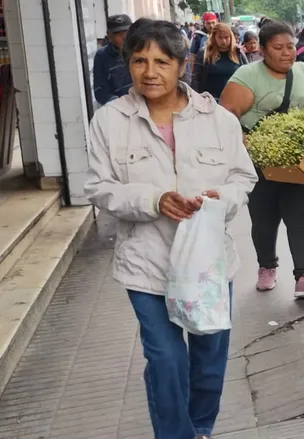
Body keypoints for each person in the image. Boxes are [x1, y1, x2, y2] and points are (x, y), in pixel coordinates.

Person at [83, 19, 257, 439]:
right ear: (127, 64)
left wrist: (217, 200)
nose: (150, 72)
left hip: (208, 263)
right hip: (147, 264)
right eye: (139, 61)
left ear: (183, 65)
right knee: (165, 359)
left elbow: (243, 177)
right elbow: (99, 187)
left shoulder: (217, 119)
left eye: (162, 62)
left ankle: (200, 427)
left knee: (209, 359)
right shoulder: (109, 121)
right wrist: (153, 200)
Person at [220, 21, 304, 296]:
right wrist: (248, 145)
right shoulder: (247, 75)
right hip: (261, 165)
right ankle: (267, 266)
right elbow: (226, 116)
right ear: (263, 50)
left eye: (290, 46)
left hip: (302, 164)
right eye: (278, 47)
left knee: (300, 220)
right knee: (264, 221)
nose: (286, 53)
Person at [192, 24, 249, 100]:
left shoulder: (238, 53)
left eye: (226, 37)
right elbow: (196, 78)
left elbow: (248, 76)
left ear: (231, 37)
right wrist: (195, 98)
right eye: (220, 38)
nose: (224, 41)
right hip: (209, 100)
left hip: (234, 100)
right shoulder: (204, 53)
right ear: (214, 37)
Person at [93, 14, 134, 105]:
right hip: (121, 107)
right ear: (109, 36)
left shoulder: (142, 49)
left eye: (127, 33)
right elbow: (100, 91)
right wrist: (118, 103)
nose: (124, 37)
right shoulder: (102, 56)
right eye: (119, 34)